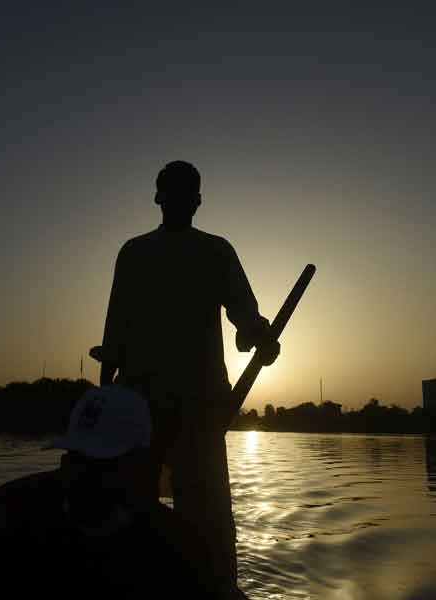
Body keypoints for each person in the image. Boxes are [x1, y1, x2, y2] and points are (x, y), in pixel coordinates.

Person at [0, 385, 229, 599]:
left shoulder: (177, 553)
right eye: (76, 459)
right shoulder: (21, 536)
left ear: (136, 467)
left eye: (100, 463)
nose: (82, 475)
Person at [98, 160, 280, 592]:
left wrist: (260, 338)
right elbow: (114, 333)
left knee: (209, 519)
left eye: (188, 192)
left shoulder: (216, 251)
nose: (180, 199)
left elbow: (245, 318)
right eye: (172, 191)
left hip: (199, 409)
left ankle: (212, 585)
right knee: (133, 511)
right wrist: (105, 399)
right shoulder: (132, 252)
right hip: (137, 408)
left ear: (198, 200)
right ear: (159, 197)